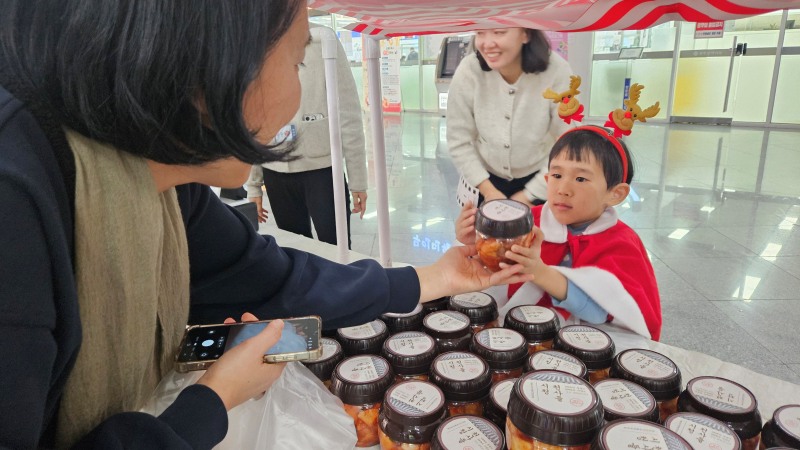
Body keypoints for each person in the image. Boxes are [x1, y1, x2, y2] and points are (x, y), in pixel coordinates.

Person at [0, 1, 528, 448]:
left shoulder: (163, 181)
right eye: (296, 63)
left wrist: (431, 279)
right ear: (211, 62)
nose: (297, 95)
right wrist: (213, 400)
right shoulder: (18, 203)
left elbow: (271, 278)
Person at [456, 126, 662, 341]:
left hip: (582, 343)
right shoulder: (527, 222)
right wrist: (475, 244)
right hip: (516, 334)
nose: (562, 189)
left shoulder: (621, 245)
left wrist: (539, 272)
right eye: (556, 175)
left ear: (615, 193)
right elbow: (493, 271)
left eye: (580, 179)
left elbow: (602, 312)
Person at [246, 23, 367, 248]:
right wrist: (254, 185)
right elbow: (253, 119)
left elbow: (348, 112)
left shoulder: (322, 38)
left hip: (322, 170)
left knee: (336, 248)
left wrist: (358, 180)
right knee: (295, 250)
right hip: (275, 170)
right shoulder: (256, 41)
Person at [447, 28, 575, 205]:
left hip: (543, 177)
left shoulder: (557, 70)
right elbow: (458, 140)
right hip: (484, 179)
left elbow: (568, 141)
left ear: (526, 34)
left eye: (499, 32)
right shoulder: (469, 70)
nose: (487, 44)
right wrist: (489, 191)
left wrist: (530, 195)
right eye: (480, 33)